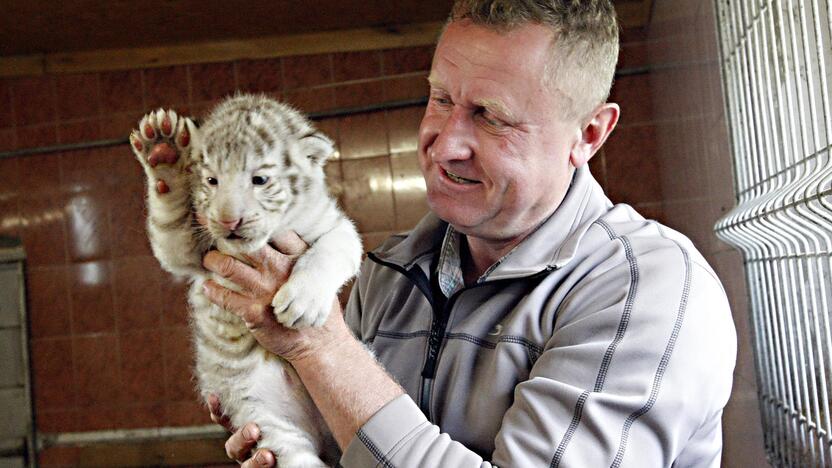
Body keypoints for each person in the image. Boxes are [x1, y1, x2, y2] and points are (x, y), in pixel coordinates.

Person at [201, 1, 737, 466]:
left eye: (490, 116)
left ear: (589, 134)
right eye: (439, 98)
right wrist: (294, 434)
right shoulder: (389, 276)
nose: (444, 141)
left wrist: (321, 350)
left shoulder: (646, 292)